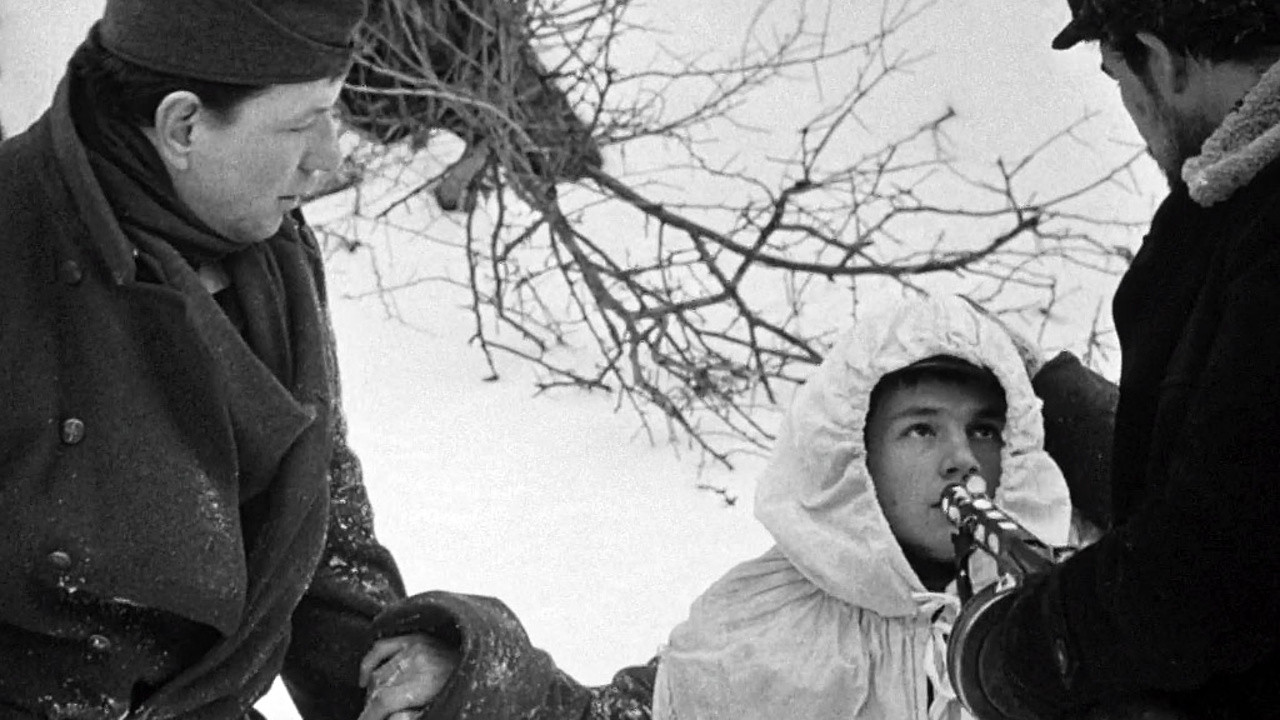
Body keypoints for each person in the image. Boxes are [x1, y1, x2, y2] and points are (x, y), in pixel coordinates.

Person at [0, 0, 452, 717]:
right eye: (303, 122)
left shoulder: (273, 253)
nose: (329, 158)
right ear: (182, 125)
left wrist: (388, 677)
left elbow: (317, 533)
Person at [357, 295, 1118, 720]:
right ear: (853, 453)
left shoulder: (1071, 595)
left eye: (986, 430)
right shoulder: (764, 622)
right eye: (921, 429)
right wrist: (476, 676)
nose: (963, 459)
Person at [945, 2, 1280, 718]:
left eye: (1115, 76)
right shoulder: (1238, 213)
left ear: (1162, 58)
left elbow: (1212, 572)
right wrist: (1055, 396)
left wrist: (1015, 654)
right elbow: (1236, 464)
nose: (1129, 110)